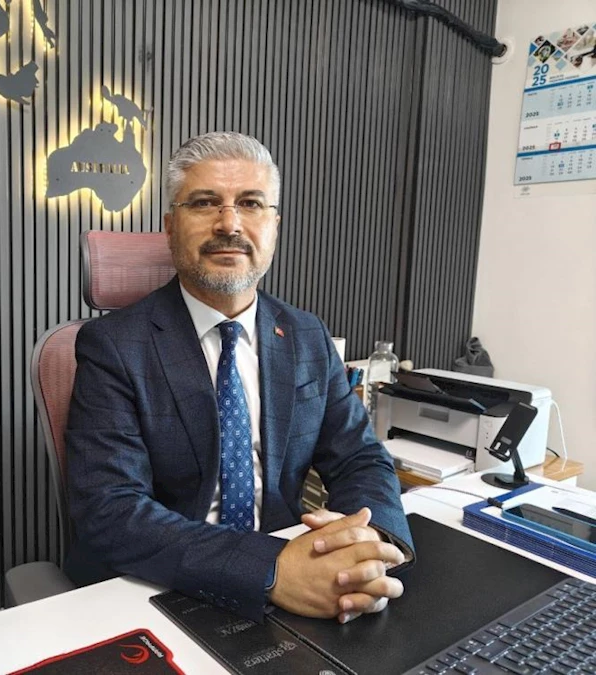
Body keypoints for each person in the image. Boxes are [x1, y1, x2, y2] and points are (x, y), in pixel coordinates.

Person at [65, 131, 414, 624]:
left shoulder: (307, 334)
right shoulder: (113, 345)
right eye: (204, 203)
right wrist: (270, 570)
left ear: (274, 225)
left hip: (300, 583)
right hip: (162, 588)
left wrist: (367, 544)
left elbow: (360, 457)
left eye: (250, 203)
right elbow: (111, 511)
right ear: (170, 226)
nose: (229, 224)